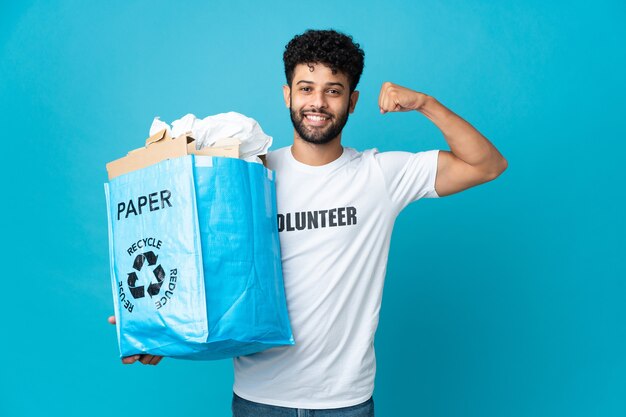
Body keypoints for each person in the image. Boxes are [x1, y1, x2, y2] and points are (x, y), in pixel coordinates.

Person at [109, 29, 507, 416]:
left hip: (345, 402)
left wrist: (425, 103)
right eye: (305, 88)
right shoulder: (250, 174)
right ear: (287, 95)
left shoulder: (381, 175)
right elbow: (210, 267)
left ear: (352, 102)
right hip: (258, 398)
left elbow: (487, 164)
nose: (317, 102)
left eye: (332, 90)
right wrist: (158, 326)